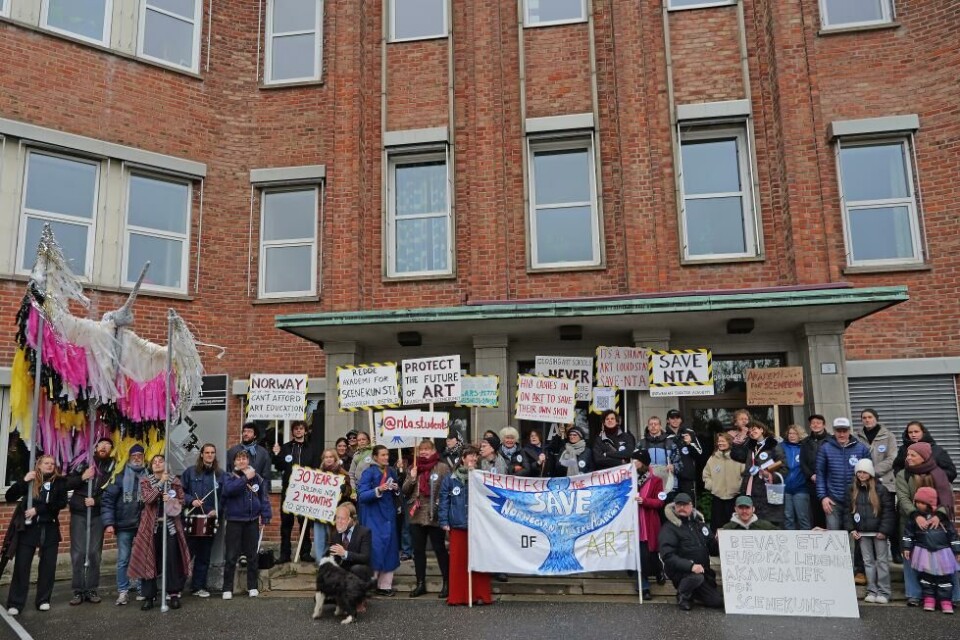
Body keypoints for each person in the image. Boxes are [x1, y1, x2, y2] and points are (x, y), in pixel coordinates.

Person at [896, 441, 958, 607]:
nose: (908, 458)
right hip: (910, 521)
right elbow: (903, 497)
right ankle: (914, 594)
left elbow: (947, 496)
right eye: (907, 454)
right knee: (910, 556)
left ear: (923, 457)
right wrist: (915, 515)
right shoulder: (903, 474)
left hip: (938, 523)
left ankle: (953, 596)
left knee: (946, 558)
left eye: (913, 455)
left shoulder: (938, 473)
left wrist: (939, 515)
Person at [4, 455, 68, 615]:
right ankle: (15, 602)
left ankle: (43, 600)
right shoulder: (31, 479)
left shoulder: (59, 482)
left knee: (48, 566)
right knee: (22, 566)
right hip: (29, 529)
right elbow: (9, 496)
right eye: (46, 463)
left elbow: (61, 503)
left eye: (52, 463)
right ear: (39, 465)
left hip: (49, 528)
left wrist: (38, 510)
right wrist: (24, 481)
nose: (50, 465)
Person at [128, 454, 192, 611]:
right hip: (151, 528)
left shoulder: (175, 482)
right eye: (154, 462)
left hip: (170, 527)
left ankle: (173, 594)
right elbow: (148, 499)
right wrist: (161, 483)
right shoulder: (145, 481)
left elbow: (182, 501)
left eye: (160, 461)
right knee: (149, 560)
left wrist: (171, 501)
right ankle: (149, 596)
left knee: (171, 560)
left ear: (165, 464)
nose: (157, 464)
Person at [438, 445, 492, 606]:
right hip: (458, 524)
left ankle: (480, 594)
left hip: (478, 526)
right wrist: (444, 521)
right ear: (463, 458)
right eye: (470, 455)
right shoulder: (450, 478)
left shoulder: (481, 476)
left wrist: (476, 477)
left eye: (475, 456)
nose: (474, 458)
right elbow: (444, 501)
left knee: (479, 561)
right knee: (458, 562)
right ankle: (458, 596)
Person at [66, 436, 116, 605]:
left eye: (108, 445)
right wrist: (83, 477)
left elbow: (112, 491)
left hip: (97, 514)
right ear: (95, 447)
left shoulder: (113, 466)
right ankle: (78, 590)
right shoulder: (82, 462)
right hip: (79, 512)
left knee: (94, 553)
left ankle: (92, 588)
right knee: (79, 552)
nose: (104, 447)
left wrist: (96, 501)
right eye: (101, 444)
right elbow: (67, 483)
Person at [658, 493, 723, 611]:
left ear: (691, 506)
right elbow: (667, 556)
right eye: (679, 505)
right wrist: (690, 566)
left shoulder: (700, 524)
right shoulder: (669, 528)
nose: (682, 508)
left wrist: (718, 541)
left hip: (703, 572)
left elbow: (713, 550)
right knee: (695, 578)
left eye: (685, 505)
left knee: (717, 601)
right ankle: (683, 596)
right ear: (674, 507)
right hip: (682, 572)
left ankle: (694, 592)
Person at [221, 449, 271, 600]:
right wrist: (245, 479)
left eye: (244, 458)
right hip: (234, 520)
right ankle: (227, 588)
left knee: (252, 555)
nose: (242, 461)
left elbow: (263, 497)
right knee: (231, 556)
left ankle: (253, 586)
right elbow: (229, 490)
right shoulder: (229, 476)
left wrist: (265, 515)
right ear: (234, 462)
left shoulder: (257, 478)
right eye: (239, 459)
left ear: (248, 461)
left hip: (252, 520)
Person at [403, 440, 451, 598]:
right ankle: (420, 583)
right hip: (417, 514)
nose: (423, 452)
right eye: (421, 450)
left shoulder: (442, 467)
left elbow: (448, 489)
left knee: (440, 549)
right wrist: (412, 478)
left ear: (433, 450)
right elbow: (405, 491)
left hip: (435, 514)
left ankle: (447, 583)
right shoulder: (413, 467)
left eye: (427, 449)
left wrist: (441, 508)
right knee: (418, 551)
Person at [101, 443, 148, 605]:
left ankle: (142, 589)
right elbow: (107, 500)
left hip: (143, 525)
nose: (137, 458)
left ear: (144, 458)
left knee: (142, 559)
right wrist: (109, 523)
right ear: (129, 458)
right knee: (123, 559)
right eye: (134, 456)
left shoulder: (149, 475)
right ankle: (123, 591)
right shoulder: (119, 476)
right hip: (123, 524)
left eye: (140, 456)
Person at [902, 486, 960, 614]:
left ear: (931, 503)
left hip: (943, 553)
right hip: (923, 552)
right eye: (917, 502)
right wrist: (906, 547)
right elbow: (908, 534)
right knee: (926, 577)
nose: (918, 505)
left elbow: (953, 535)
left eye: (922, 502)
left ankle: (946, 601)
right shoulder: (914, 519)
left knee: (945, 578)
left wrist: (957, 550)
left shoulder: (943, 519)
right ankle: (929, 599)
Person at [844, 459, 895, 604]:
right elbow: (847, 512)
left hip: (878, 533)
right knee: (868, 562)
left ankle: (884, 592)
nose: (861, 475)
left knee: (882, 562)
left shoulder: (881, 489)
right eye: (859, 472)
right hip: (862, 533)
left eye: (864, 472)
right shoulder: (851, 489)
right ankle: (871, 590)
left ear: (870, 473)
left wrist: (883, 530)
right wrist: (852, 529)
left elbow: (888, 512)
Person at [180, 443, 224, 597]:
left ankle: (198, 587)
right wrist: (191, 501)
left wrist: (216, 510)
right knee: (186, 554)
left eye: (212, 452)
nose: (210, 455)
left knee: (204, 555)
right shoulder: (190, 472)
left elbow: (224, 497)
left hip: (209, 520)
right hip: (192, 518)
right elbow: (180, 492)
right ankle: (175, 588)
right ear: (201, 454)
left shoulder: (220, 475)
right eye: (207, 452)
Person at [357, 445, 401, 596]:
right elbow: (362, 495)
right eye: (383, 455)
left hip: (389, 516)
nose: (386, 457)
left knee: (390, 549)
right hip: (373, 517)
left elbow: (398, 493)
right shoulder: (368, 472)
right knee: (375, 549)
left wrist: (396, 489)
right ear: (375, 457)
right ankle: (370, 584)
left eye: (387, 454)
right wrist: (379, 489)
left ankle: (385, 585)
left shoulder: (391, 471)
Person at [272, 420, 312, 564]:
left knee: (305, 524)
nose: (298, 431)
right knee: (286, 524)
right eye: (296, 429)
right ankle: (285, 554)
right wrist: (276, 454)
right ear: (292, 431)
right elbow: (278, 466)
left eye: (301, 428)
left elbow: (315, 469)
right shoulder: (286, 447)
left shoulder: (311, 448)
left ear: (305, 431)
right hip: (288, 491)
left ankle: (305, 553)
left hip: (305, 492)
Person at [731, 421, 785, 527]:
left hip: (767, 490)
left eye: (754, 429)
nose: (752, 432)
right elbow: (736, 455)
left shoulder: (774, 445)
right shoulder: (750, 446)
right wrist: (739, 440)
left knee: (768, 524)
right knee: (752, 523)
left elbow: (784, 466)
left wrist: (770, 475)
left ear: (761, 430)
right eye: (750, 431)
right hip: (750, 488)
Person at [632, 449, 665, 600]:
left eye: (636, 460)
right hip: (634, 523)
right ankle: (643, 586)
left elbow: (660, 502)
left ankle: (659, 571)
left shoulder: (656, 480)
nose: (633, 463)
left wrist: (644, 501)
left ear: (644, 463)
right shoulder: (628, 479)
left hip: (648, 522)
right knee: (640, 556)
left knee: (652, 555)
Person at [312, 448, 354, 564]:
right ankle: (320, 561)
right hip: (319, 509)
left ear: (335, 458)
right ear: (323, 459)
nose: (328, 459)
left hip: (336, 510)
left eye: (331, 457)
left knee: (333, 536)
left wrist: (345, 489)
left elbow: (350, 491)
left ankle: (334, 560)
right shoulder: (317, 473)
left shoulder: (342, 473)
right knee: (319, 537)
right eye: (326, 457)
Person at [702, 432, 743, 532]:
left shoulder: (737, 457)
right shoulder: (713, 458)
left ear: (729, 442)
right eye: (719, 441)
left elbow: (745, 474)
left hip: (734, 497)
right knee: (717, 528)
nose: (720, 443)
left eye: (723, 441)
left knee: (734, 527)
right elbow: (706, 475)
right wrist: (713, 486)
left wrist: (739, 486)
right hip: (718, 498)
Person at [329, 503, 373, 584]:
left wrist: (345, 553)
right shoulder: (335, 534)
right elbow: (334, 557)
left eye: (343, 518)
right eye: (338, 518)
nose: (340, 521)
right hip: (343, 570)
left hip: (359, 569)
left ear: (353, 518)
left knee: (357, 569)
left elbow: (365, 557)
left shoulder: (364, 532)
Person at [664, 409, 702, 501]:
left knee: (688, 505)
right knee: (671, 506)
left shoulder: (689, 433)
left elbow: (699, 454)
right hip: (670, 477)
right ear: (668, 420)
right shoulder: (664, 436)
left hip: (687, 477)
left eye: (677, 417)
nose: (675, 420)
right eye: (672, 418)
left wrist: (690, 444)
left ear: (681, 420)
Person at [800, 414, 830, 528]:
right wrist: (811, 475)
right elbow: (802, 462)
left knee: (830, 512)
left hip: (829, 482)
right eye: (813, 423)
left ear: (824, 425)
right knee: (816, 513)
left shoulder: (831, 440)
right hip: (812, 482)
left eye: (818, 423)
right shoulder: (805, 442)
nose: (815, 425)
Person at [780, 424, 811, 530]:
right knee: (788, 518)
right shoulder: (782, 446)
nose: (792, 436)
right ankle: (790, 540)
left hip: (801, 488)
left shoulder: (805, 447)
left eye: (795, 433)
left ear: (800, 435)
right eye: (790, 433)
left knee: (803, 517)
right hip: (785, 488)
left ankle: (806, 540)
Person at [639, 416, 678, 495]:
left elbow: (679, 462)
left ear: (660, 426)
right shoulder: (641, 443)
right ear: (648, 427)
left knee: (668, 503)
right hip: (648, 483)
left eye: (656, 424)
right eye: (651, 424)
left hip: (667, 483)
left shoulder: (670, 443)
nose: (653, 426)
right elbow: (635, 463)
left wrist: (673, 467)